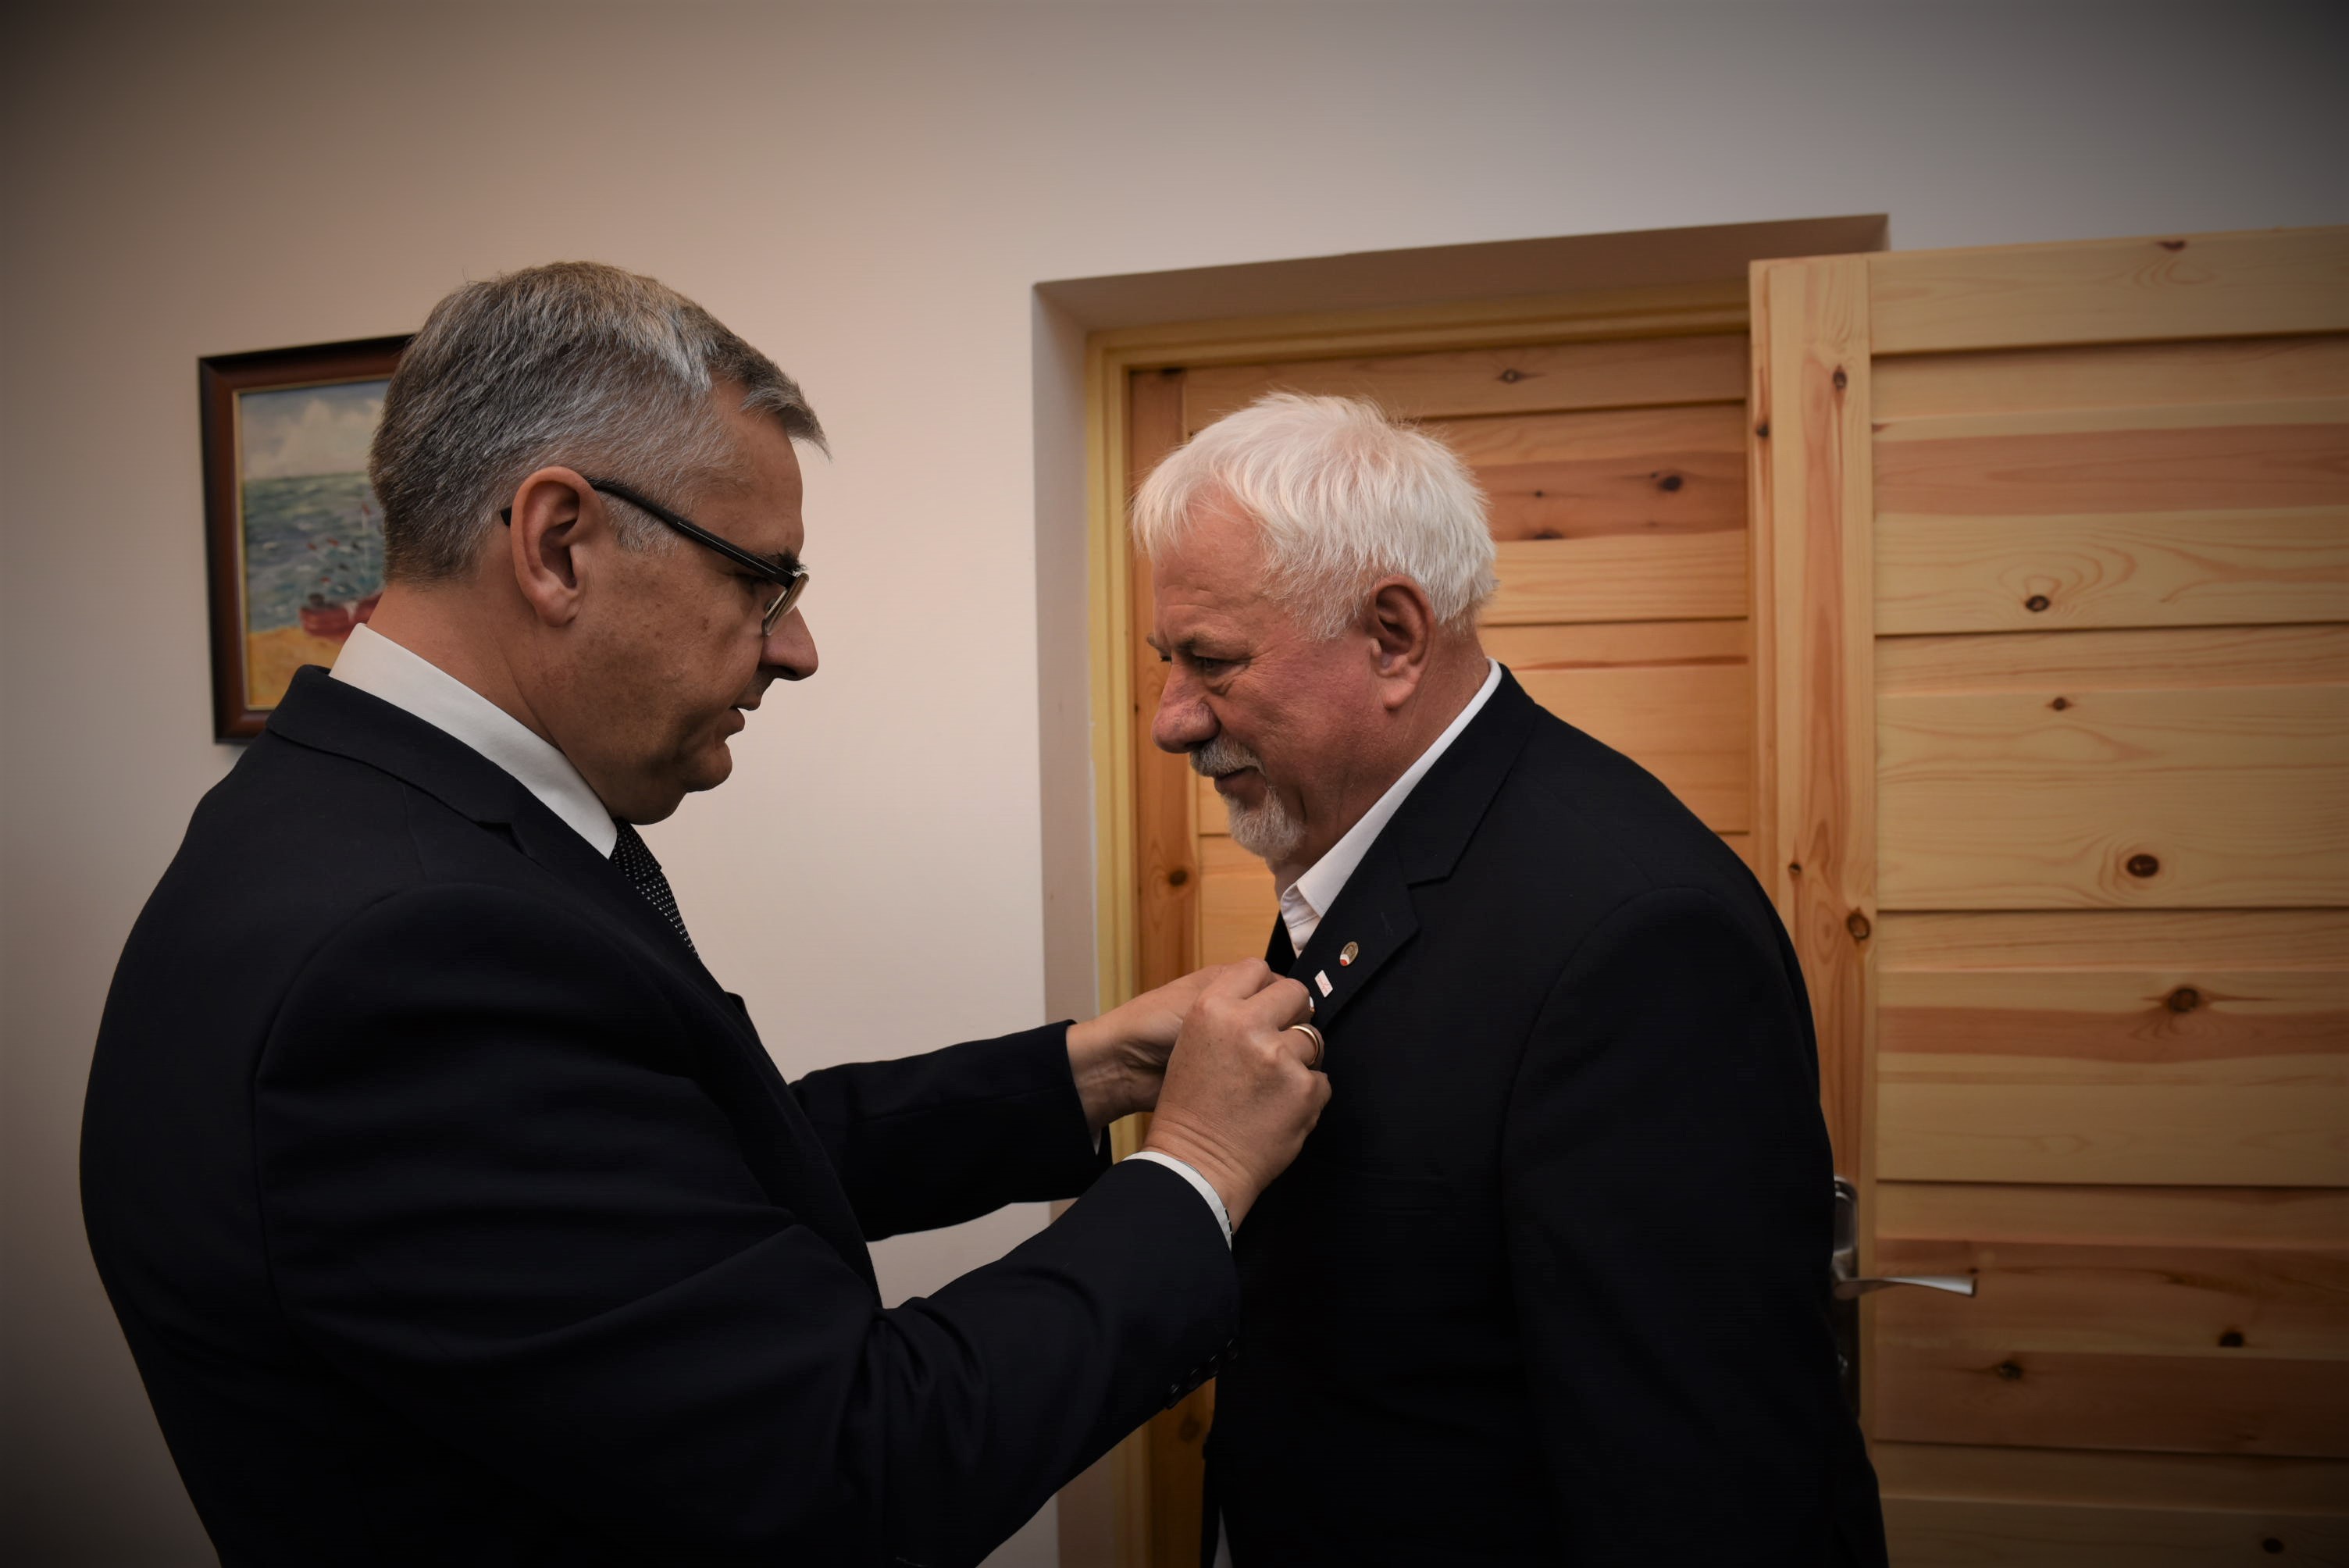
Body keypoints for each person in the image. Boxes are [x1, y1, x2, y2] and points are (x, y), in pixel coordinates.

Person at [80, 263, 1329, 1567]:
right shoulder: (405, 953)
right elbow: (853, 1475)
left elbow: (674, 1182)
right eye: (761, 581)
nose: (797, 649)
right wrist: (1194, 1171)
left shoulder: (340, 820)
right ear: (558, 544)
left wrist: (1086, 1075)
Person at [1133, 394, 1887, 1566]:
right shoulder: (1371, 842)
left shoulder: (1641, 937)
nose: (1172, 720)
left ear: (1394, 637)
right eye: (1166, 663)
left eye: (1212, 661)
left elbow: (1706, 1477)